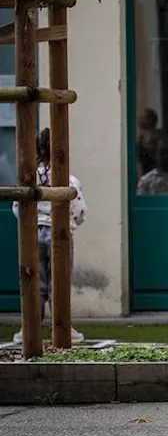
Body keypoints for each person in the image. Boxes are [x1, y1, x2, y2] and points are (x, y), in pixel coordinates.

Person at [11, 128, 86, 343]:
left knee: (34, 280)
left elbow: (18, 207)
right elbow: (80, 210)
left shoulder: (29, 177)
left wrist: (31, 224)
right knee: (59, 281)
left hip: (33, 234)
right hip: (59, 233)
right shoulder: (69, 180)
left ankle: (28, 328)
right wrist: (70, 224)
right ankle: (63, 327)